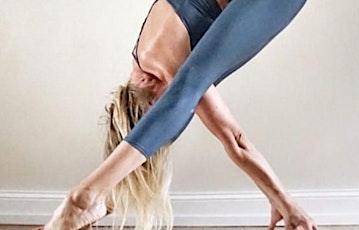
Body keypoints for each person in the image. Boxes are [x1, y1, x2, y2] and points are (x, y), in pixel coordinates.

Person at [37, 0, 319, 229]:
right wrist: (278, 199)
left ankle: (84, 197)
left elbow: (235, 139)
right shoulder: (147, 47)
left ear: (147, 92)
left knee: (185, 92)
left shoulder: (167, 66)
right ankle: (88, 197)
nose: (188, 114)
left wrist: (285, 200)